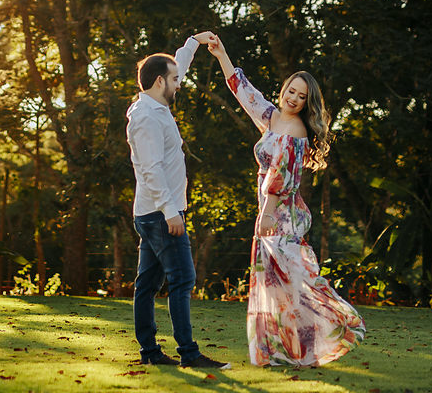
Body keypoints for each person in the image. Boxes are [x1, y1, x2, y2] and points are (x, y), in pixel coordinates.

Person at [205, 35, 365, 367]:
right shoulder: (273, 118)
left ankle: (337, 324)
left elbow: (282, 177)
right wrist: (221, 53)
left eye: (301, 96)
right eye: (291, 91)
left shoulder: (295, 132)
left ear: (308, 103)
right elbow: (243, 92)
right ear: (284, 90)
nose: (293, 98)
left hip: (280, 215)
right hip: (269, 213)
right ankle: (280, 352)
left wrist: (266, 213)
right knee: (272, 283)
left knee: (294, 279)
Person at [126, 32, 230, 369]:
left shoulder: (155, 104)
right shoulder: (146, 118)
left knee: (148, 283)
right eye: (174, 80)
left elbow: (177, 68)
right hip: (160, 212)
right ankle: (189, 354)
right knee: (182, 278)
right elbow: (152, 170)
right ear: (159, 82)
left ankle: (151, 353)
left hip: (155, 210)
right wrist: (171, 213)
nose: (179, 84)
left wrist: (193, 43)